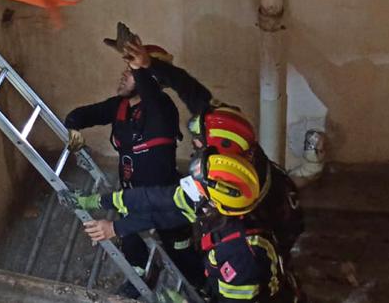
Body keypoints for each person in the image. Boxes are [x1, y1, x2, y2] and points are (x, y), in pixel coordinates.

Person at [119, 39, 304, 259]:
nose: (195, 143)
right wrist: (149, 63)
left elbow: (172, 204)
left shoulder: (229, 188)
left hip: (269, 231)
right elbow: (188, 87)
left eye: (200, 141)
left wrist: (117, 224)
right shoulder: (230, 134)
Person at [73, 148, 304, 302]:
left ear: (214, 203)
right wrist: (108, 212)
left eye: (197, 189)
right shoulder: (220, 212)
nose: (188, 192)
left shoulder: (241, 255)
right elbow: (157, 202)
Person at [63, 43, 202, 295]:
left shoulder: (162, 109)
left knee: (180, 253)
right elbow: (84, 114)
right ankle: (142, 273)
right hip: (131, 191)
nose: (123, 75)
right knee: (130, 237)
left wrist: (142, 67)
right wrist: (72, 126)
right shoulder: (120, 106)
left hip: (164, 197)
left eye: (129, 72)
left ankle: (201, 288)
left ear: (147, 78)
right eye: (126, 70)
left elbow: (151, 94)